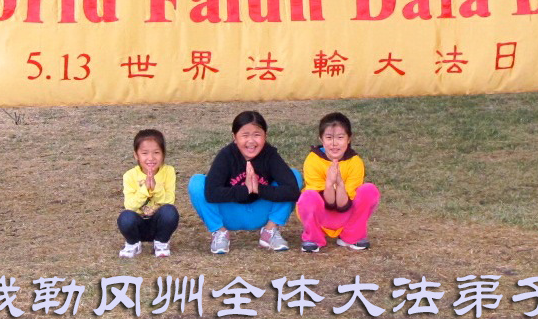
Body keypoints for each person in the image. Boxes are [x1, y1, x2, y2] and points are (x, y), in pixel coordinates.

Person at [188, 110, 302, 254]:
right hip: (230, 214)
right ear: (235, 137)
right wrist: (245, 190)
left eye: (257, 134)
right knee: (197, 183)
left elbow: (293, 191)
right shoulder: (226, 155)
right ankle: (219, 232)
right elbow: (211, 193)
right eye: (245, 135)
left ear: (265, 136)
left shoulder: (270, 155)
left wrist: (259, 189)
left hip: (262, 213)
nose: (251, 141)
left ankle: (270, 231)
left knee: (295, 176)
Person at [297, 112, 381, 252]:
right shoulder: (312, 160)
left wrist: (340, 184)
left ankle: (351, 236)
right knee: (308, 196)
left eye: (340, 137)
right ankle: (314, 238)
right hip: (323, 213)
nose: (334, 143)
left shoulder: (355, 162)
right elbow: (327, 202)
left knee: (369, 190)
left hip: (345, 212)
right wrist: (329, 184)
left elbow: (343, 205)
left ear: (349, 139)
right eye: (329, 138)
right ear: (321, 139)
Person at [118, 129, 179, 258]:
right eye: (145, 153)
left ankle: (161, 242)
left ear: (163, 154)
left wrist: (155, 188)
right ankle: (133, 243)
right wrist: (145, 189)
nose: (151, 158)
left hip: (158, 223)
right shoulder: (129, 175)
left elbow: (169, 201)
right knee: (125, 217)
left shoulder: (168, 171)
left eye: (156, 152)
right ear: (136, 155)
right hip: (138, 222)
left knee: (170, 212)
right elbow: (130, 206)